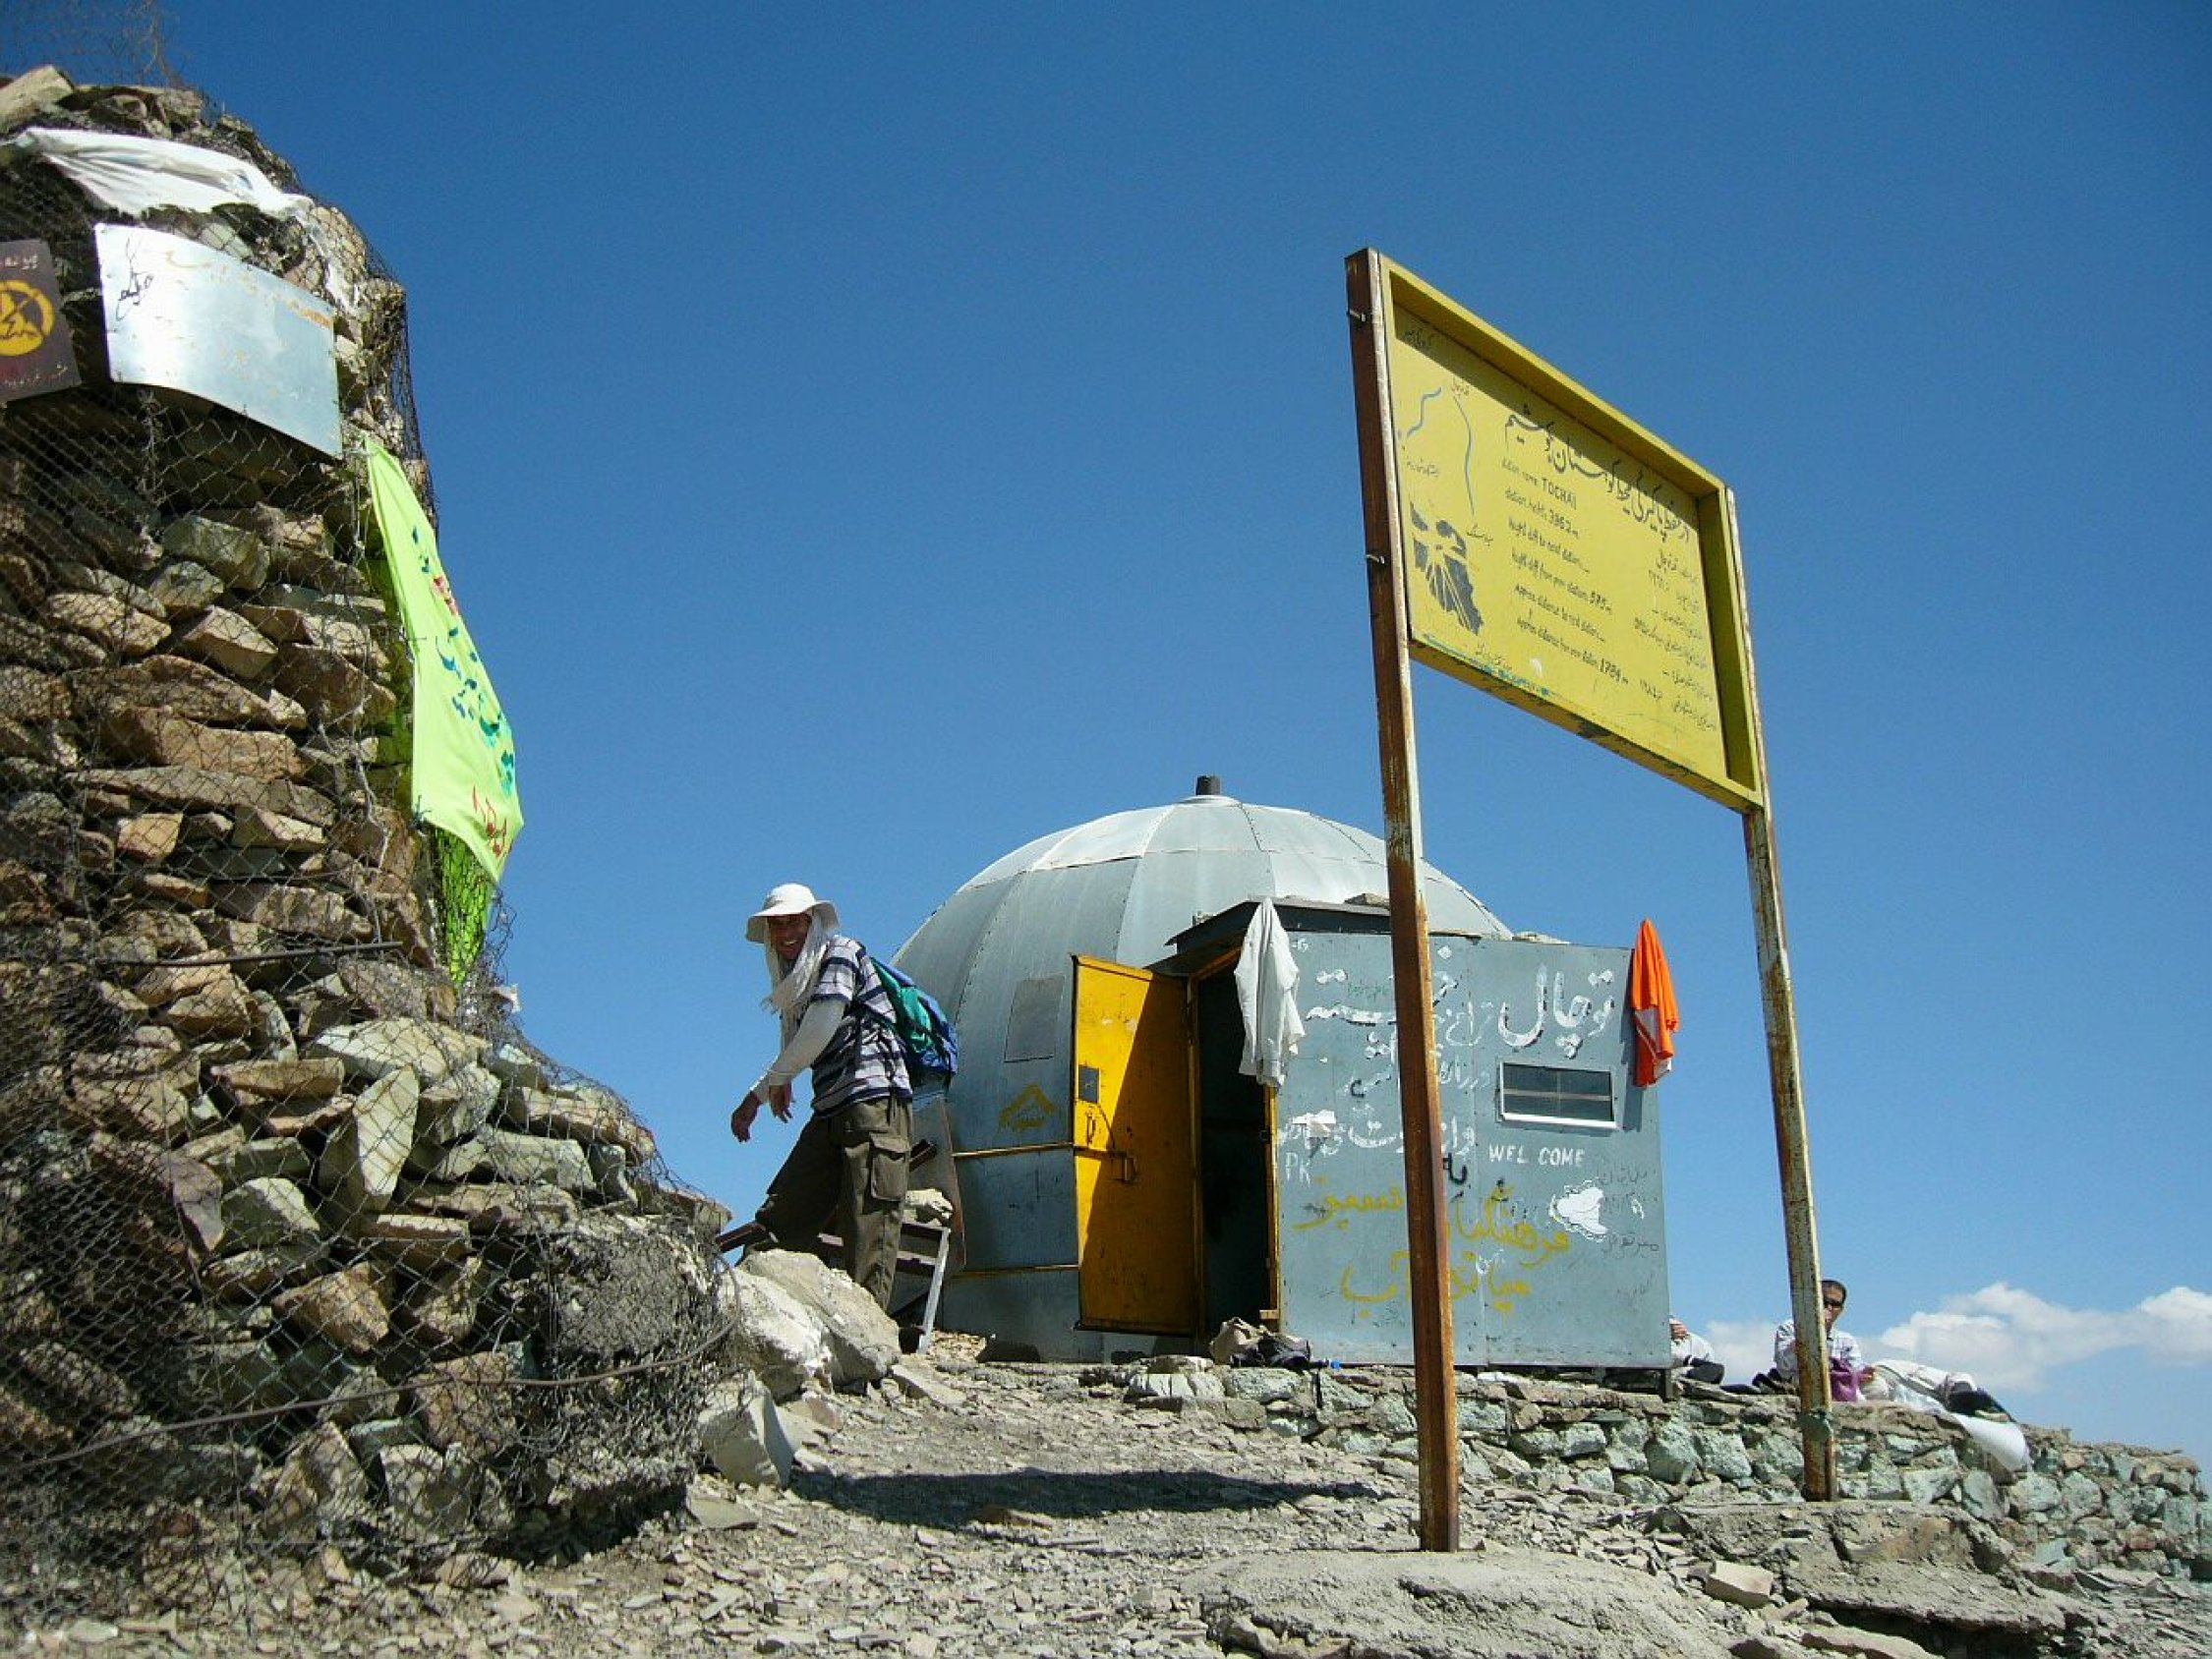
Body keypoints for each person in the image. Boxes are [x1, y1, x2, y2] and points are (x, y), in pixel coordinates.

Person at [728, 883, 912, 1310]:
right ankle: (745, 1311)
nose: (786, 933)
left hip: (873, 1101)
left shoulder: (841, 952)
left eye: (794, 922)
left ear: (812, 923)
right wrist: (775, 1082)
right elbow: (798, 1036)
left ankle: (867, 1338)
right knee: (784, 1213)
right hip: (832, 1106)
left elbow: (821, 1025)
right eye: (777, 925)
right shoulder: (797, 984)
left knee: (869, 1228)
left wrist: (761, 1094)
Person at [1764, 1277, 1867, 1397]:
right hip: (1799, 1383)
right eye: (1824, 1302)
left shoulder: (1847, 1340)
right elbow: (1784, 1365)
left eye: (1835, 1304)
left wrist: (1862, 1373)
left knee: (1876, 1384)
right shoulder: (1790, 1327)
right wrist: (1813, 1329)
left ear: (1841, 1310)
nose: (1829, 1308)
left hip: (1837, 1384)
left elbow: (1855, 1369)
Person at [1669, 1316, 1724, 1385]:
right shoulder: (1702, 1343)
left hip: (1692, 1378)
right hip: (1674, 1377)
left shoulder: (1701, 1343)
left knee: (1718, 1369)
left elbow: (1713, 1371)